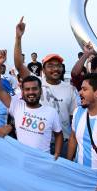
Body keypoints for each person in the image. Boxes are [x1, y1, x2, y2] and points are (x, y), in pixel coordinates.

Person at [14, 17, 78, 156]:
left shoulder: (70, 89)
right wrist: (18, 38)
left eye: (58, 66)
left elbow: (74, 120)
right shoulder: (36, 83)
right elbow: (19, 65)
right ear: (42, 70)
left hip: (64, 143)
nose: (55, 69)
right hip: (39, 142)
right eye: (50, 66)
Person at [0, 50, 63, 157]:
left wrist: (57, 153)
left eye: (34, 89)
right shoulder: (16, 105)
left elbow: (58, 135)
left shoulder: (51, 112)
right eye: (27, 89)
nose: (31, 92)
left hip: (44, 162)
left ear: (41, 90)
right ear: (22, 91)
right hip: (22, 159)